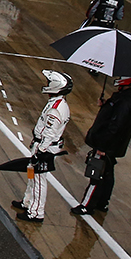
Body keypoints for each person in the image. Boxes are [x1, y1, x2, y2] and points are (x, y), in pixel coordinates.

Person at [12, 70, 72, 223]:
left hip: (45, 148)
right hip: (41, 145)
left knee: (39, 180)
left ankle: (36, 212)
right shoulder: (58, 103)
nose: (46, 85)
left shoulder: (56, 108)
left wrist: (41, 151)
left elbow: (50, 132)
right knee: (32, 175)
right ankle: (27, 202)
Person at [71, 76, 131, 215]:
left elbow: (116, 125)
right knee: (108, 173)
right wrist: (105, 106)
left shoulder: (125, 100)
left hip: (107, 145)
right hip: (113, 145)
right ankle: (102, 203)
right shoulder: (122, 97)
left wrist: (103, 146)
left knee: (97, 174)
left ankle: (87, 205)